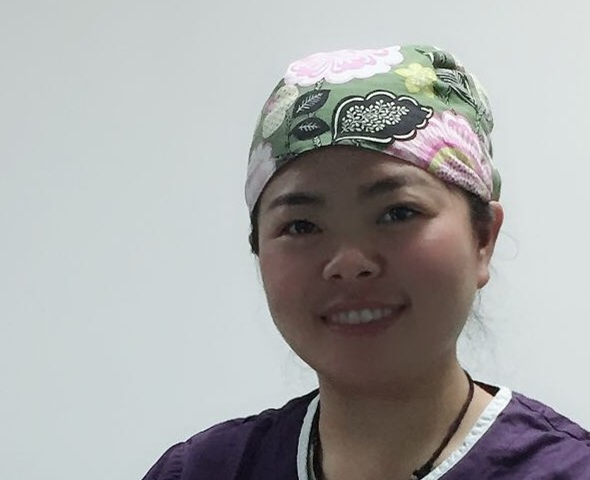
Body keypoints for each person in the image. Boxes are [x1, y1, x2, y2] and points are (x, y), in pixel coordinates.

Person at [142, 45, 590, 479]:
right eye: (301, 225)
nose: (349, 262)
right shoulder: (202, 470)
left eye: (397, 213)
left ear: (483, 239)